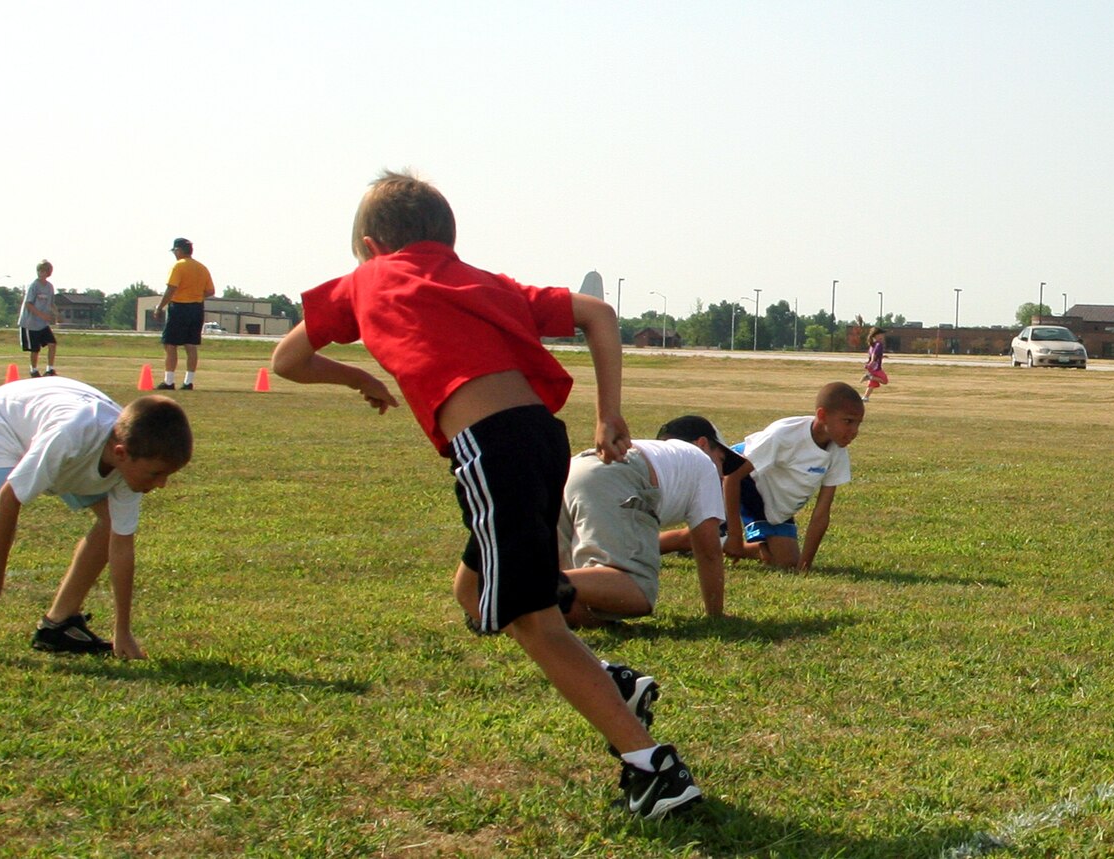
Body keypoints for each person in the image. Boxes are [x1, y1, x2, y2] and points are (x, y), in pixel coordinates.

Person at [269, 170, 702, 819]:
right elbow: (598, 314)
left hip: (490, 448)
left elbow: (287, 360)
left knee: (533, 622)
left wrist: (357, 374)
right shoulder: (483, 281)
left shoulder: (365, 279)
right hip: (540, 438)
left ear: (366, 245)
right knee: (472, 593)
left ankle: (653, 769)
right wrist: (609, 412)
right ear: (448, 236)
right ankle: (614, 684)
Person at [0, 377, 192, 664]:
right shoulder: (70, 437)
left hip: (64, 441)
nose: (162, 484)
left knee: (111, 525)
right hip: (3, 426)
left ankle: (58, 625)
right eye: (156, 474)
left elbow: (122, 546)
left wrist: (122, 630)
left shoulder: (130, 460)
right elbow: (11, 497)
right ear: (121, 453)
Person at [559, 415, 742, 626]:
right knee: (638, 590)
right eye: (721, 460)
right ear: (702, 443)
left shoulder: (662, 453)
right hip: (616, 476)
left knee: (579, 608)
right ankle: (532, 585)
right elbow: (708, 551)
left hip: (575, 469)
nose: (722, 475)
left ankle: (523, 607)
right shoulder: (705, 465)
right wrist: (716, 615)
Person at [724, 382, 864, 570]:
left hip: (774, 502)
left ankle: (723, 544)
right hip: (747, 480)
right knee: (776, 558)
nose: (854, 431)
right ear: (822, 415)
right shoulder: (783, 435)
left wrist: (804, 566)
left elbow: (821, 513)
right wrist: (735, 536)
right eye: (848, 421)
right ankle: (698, 542)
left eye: (858, 423)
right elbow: (732, 475)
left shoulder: (836, 451)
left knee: (787, 562)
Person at [153, 238, 213, 390]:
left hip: (179, 307)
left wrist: (160, 307)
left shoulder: (178, 266)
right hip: (197, 308)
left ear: (179, 250)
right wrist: (196, 296)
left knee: (170, 344)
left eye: (174, 251)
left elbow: (171, 288)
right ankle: (188, 382)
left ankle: (169, 380)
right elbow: (210, 291)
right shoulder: (202, 268)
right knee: (191, 345)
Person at [19, 259, 59, 377]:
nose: (41, 273)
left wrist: (57, 314)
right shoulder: (34, 286)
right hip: (30, 323)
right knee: (35, 349)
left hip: (42, 323)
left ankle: (50, 369)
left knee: (52, 343)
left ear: (48, 272)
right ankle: (34, 370)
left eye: (44, 271)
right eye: (39, 270)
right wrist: (42, 315)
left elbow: (51, 303)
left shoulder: (50, 287)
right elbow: (28, 304)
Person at [860, 327, 888, 401]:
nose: (883, 336)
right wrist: (872, 362)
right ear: (876, 335)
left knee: (872, 384)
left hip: (871, 367)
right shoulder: (879, 344)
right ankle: (870, 377)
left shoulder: (873, 344)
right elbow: (874, 354)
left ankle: (865, 397)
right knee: (885, 381)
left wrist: (882, 356)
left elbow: (874, 354)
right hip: (875, 368)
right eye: (881, 334)